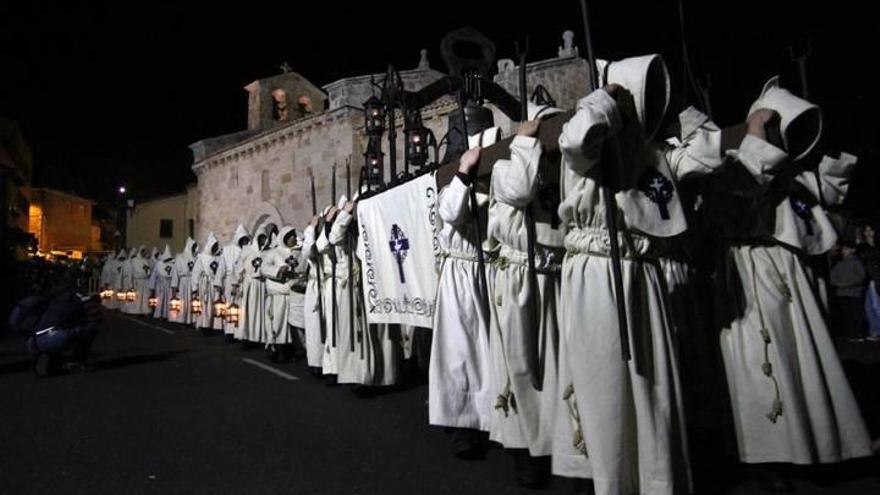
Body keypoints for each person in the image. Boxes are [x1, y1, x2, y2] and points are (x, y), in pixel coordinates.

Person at [554, 54, 721, 494]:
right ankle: (602, 477)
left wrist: (678, 108)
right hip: (597, 274)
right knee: (602, 381)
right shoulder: (592, 148)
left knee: (651, 385)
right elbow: (573, 141)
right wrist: (605, 99)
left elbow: (708, 159)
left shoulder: (652, 152)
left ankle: (652, 477)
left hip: (642, 275)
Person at [702, 77, 871, 490]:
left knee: (808, 365)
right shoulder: (730, 167)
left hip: (797, 278)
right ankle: (768, 457)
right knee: (765, 367)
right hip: (755, 273)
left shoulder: (795, 176)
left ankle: (816, 446)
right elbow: (740, 183)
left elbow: (828, 189)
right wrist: (756, 134)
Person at [428, 145, 494, 460]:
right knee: (460, 353)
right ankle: (462, 425)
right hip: (459, 276)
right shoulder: (450, 190)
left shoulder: (495, 188)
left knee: (487, 353)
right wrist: (464, 173)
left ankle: (490, 418)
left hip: (488, 274)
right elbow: (452, 211)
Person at [9, 286, 102, 377]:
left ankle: (51, 359)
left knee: (56, 333)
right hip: (57, 335)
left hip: (33, 341)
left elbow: (15, 322)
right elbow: (95, 315)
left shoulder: (47, 299)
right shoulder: (77, 295)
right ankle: (75, 362)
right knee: (88, 328)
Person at [261, 225, 300, 361]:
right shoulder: (273, 252)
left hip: (294, 294)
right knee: (277, 323)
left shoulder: (298, 252)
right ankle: (277, 349)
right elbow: (264, 268)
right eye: (290, 236)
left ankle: (293, 349)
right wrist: (279, 270)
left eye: (294, 235)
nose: (293, 238)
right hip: (278, 295)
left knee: (294, 324)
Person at [218, 225, 250, 341]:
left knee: (242, 307)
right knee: (230, 305)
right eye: (242, 240)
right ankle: (230, 331)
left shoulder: (248, 250)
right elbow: (221, 267)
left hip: (243, 282)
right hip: (230, 281)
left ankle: (240, 331)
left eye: (246, 239)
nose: (244, 242)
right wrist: (219, 282)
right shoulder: (227, 250)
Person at [302, 216, 326, 375]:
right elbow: (309, 252)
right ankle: (317, 362)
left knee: (329, 327)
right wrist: (310, 229)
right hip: (315, 288)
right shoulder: (311, 242)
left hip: (328, 285)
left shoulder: (326, 241)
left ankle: (329, 364)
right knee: (315, 328)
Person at [831, 242, 867, 339]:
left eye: (846, 249)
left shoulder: (856, 262)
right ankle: (850, 333)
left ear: (852, 250)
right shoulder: (839, 263)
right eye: (843, 249)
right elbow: (833, 277)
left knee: (856, 314)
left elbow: (861, 277)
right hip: (842, 293)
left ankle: (859, 334)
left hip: (854, 293)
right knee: (846, 315)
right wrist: (837, 284)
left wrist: (848, 284)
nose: (844, 251)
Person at [192, 233, 224, 334]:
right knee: (205, 305)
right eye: (213, 246)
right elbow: (196, 272)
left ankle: (215, 325)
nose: (215, 248)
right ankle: (205, 325)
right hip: (205, 284)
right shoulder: (202, 257)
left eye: (216, 246)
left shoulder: (219, 257)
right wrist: (195, 287)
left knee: (216, 304)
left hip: (214, 284)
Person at [170, 237, 199, 326]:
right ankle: (182, 320)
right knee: (183, 301)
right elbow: (175, 272)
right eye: (193, 247)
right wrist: (175, 285)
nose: (194, 249)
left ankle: (192, 320)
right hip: (183, 282)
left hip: (192, 281)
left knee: (192, 301)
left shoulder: (195, 258)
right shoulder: (180, 257)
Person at [149, 245, 175, 320]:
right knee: (161, 301)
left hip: (169, 286)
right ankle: (160, 314)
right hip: (161, 285)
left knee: (168, 301)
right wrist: (152, 286)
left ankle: (168, 315)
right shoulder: (159, 264)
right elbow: (154, 275)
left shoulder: (173, 264)